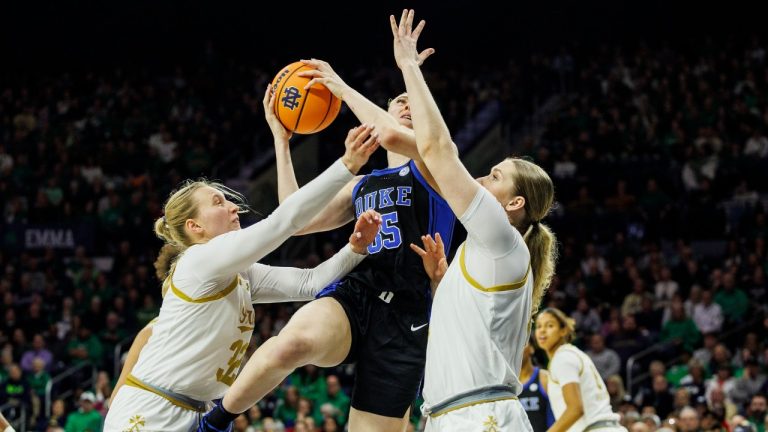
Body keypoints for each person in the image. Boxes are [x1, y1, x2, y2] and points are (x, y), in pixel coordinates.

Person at [199, 40, 460, 432]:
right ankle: (215, 423)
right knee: (293, 343)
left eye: (413, 102)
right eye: (398, 102)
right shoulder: (362, 184)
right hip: (359, 292)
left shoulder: (438, 168)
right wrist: (282, 142)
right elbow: (295, 217)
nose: (406, 106)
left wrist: (337, 85)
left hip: (409, 314)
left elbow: (391, 137)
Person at [103, 86, 382, 432]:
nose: (234, 206)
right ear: (195, 227)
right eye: (219, 203)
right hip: (151, 411)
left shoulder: (240, 273)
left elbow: (311, 284)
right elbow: (284, 222)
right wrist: (346, 165)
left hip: (195, 411)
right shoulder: (199, 261)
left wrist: (354, 249)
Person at [389, 9, 558, 431]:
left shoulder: (504, 239)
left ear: (514, 203)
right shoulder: (483, 251)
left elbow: (438, 151)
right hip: (453, 414)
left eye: (495, 176)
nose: (483, 177)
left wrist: (410, 67)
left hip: (480, 416)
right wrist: (442, 283)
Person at [535, 308, 626, 431]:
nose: (542, 331)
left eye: (550, 325)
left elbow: (575, 409)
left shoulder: (562, 358)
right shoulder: (572, 354)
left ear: (563, 330)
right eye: (538, 326)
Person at [520, 340, 555, 432]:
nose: (518, 347)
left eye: (522, 343)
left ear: (531, 348)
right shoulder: (504, 385)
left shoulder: (545, 378)